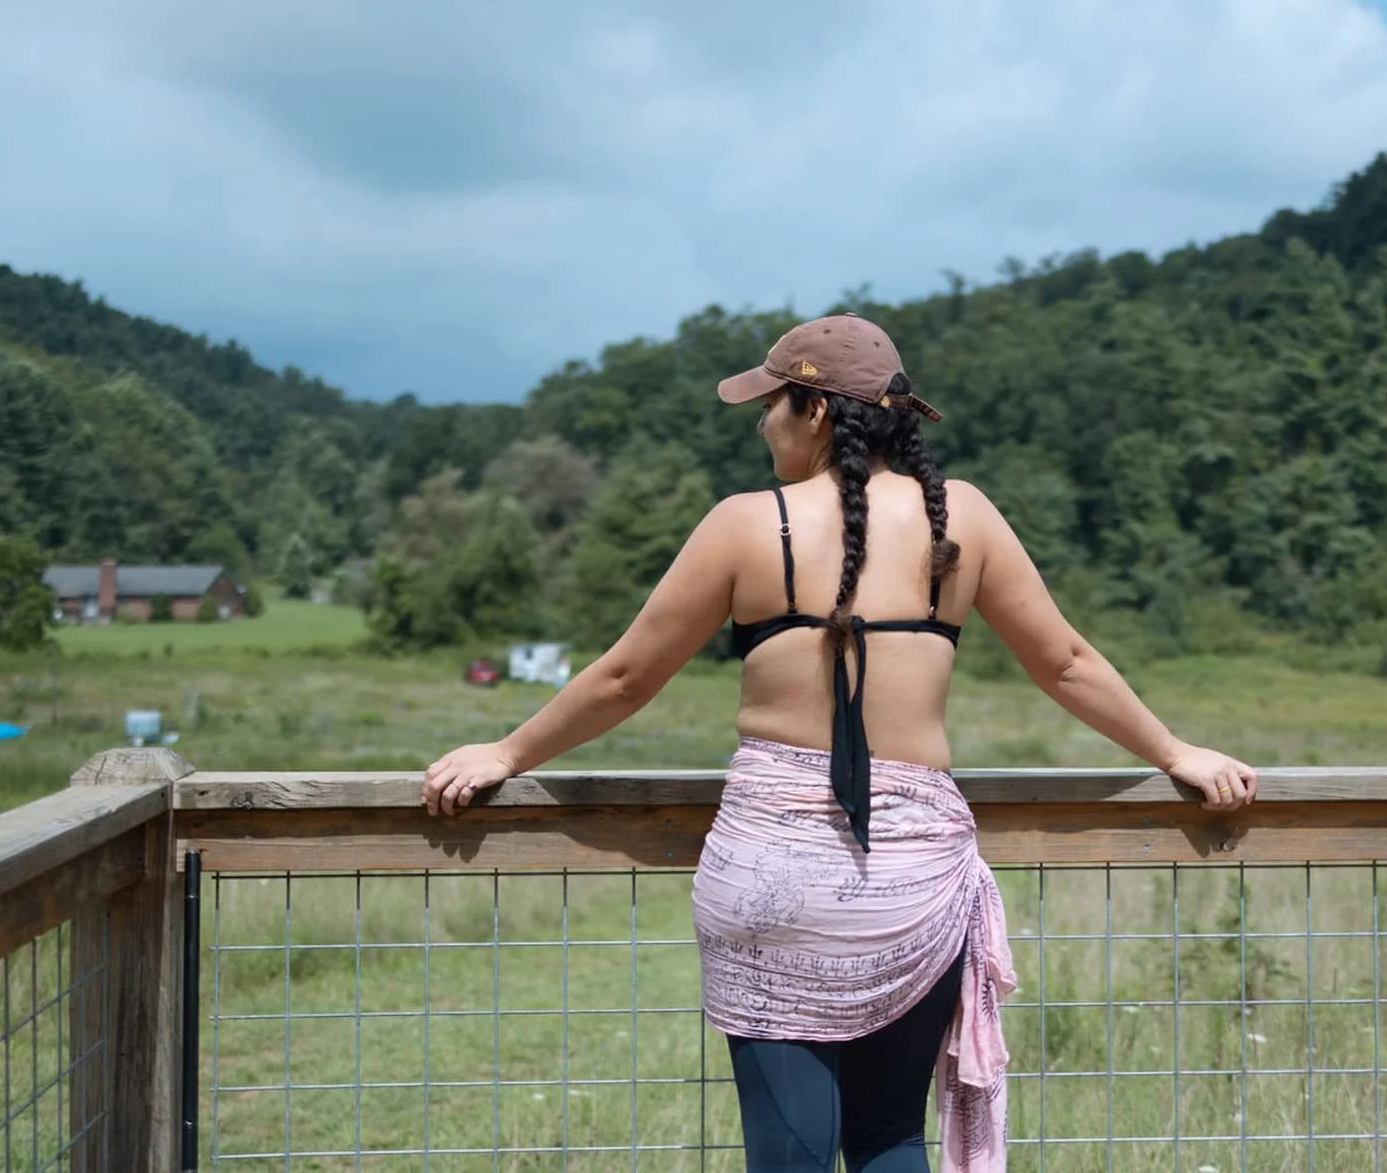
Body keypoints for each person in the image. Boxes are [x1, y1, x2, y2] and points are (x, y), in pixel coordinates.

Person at [423, 313, 1259, 1172]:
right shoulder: (957, 515)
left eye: (771, 402)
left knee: (787, 1155)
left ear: (815, 410)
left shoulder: (745, 524)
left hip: (772, 877)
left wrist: (506, 753)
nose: (760, 421)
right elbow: (1067, 661)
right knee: (891, 1135)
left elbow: (626, 677)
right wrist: (1175, 752)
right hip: (911, 880)